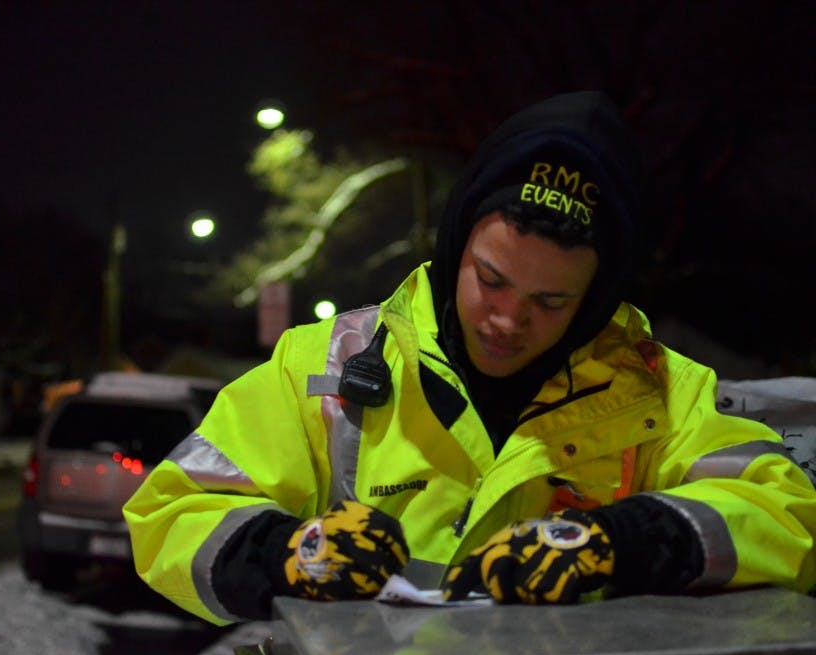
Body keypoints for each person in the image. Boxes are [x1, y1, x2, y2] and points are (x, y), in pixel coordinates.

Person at [123, 91, 816, 624]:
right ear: (456, 246)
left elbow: (787, 514)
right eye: (491, 279)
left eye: (550, 302)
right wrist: (284, 552)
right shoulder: (325, 365)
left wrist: (624, 540)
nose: (508, 320)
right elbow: (171, 515)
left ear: (597, 298)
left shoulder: (662, 391)